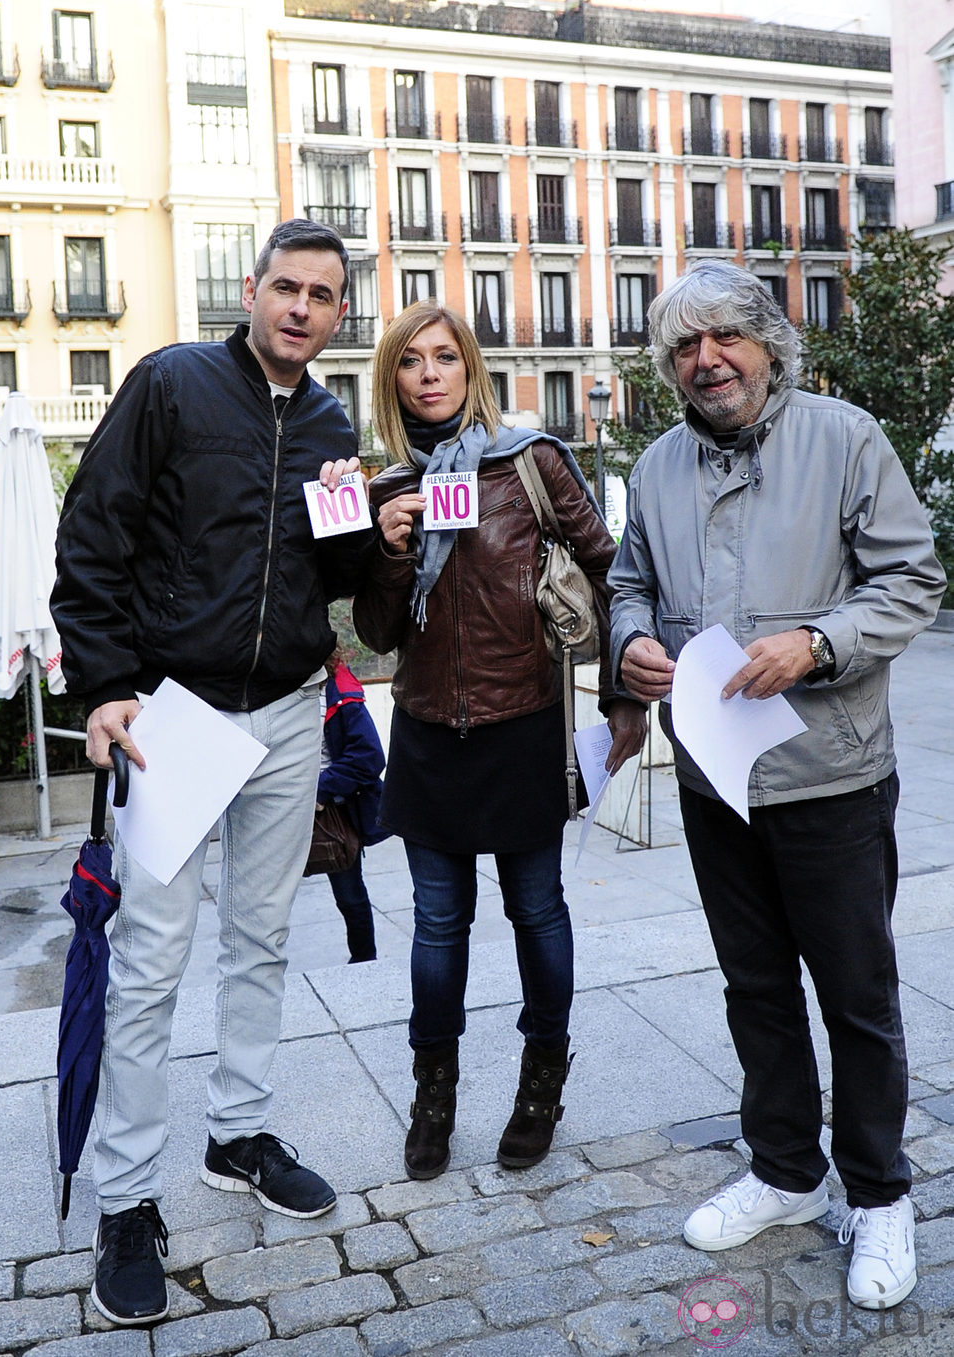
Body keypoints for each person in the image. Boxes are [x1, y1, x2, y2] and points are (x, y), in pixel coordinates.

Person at [50, 219, 377, 1327]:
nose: (299, 308)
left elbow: (332, 583)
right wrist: (104, 683)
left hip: (288, 712)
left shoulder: (333, 420)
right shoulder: (173, 383)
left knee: (264, 938)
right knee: (148, 965)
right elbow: (93, 533)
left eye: (321, 296)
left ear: (340, 313)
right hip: (175, 714)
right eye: (284, 287)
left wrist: (366, 527)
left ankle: (237, 1133)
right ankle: (128, 1201)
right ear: (250, 290)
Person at [608, 260, 946, 1311]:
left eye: (723, 338)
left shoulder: (842, 438)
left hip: (830, 772)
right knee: (753, 987)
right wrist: (626, 642)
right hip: (717, 783)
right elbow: (627, 580)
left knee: (855, 995)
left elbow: (912, 579)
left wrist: (817, 641)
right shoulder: (659, 464)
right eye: (682, 347)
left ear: (766, 343)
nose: (704, 360)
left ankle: (881, 1194)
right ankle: (786, 1172)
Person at [353, 300, 647, 1181]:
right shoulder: (384, 487)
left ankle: (540, 1082)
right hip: (429, 730)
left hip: (524, 726)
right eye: (412, 361)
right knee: (438, 925)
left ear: (470, 367)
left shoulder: (531, 463)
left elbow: (612, 569)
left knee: (537, 910)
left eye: (446, 356)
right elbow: (373, 633)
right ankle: (433, 1095)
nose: (431, 373)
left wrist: (624, 693)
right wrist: (391, 548)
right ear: (393, 378)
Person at [318, 651, 389, 963]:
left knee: (350, 896)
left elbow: (369, 757)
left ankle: (364, 962)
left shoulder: (340, 691)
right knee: (265, 902)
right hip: (278, 805)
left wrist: (320, 790)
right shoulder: (269, 691)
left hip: (330, 809)